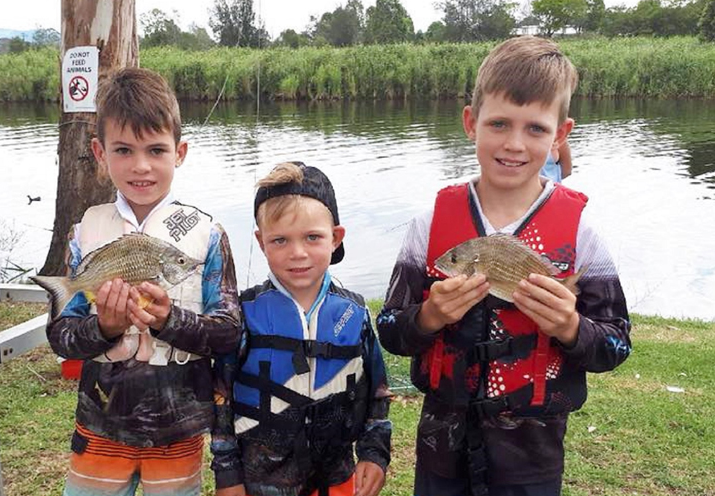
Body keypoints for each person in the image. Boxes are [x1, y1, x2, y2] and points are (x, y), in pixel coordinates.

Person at [376, 36, 631, 496]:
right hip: (442, 445)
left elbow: (616, 345)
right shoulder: (430, 223)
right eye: (499, 123)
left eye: (535, 128)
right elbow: (391, 330)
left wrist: (572, 327)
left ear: (560, 136)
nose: (514, 144)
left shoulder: (582, 233)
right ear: (471, 123)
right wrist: (429, 317)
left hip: (532, 452)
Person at [45, 67, 241, 496]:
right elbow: (61, 337)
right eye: (123, 150)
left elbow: (228, 334)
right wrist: (104, 327)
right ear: (99, 153)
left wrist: (170, 320)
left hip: (178, 431)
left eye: (156, 150)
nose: (141, 166)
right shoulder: (84, 233)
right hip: (100, 425)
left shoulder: (207, 235)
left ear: (180, 152)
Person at [211, 162, 392, 496]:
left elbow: (377, 392)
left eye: (312, 237)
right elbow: (221, 399)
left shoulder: (354, 313)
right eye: (280, 240)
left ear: (336, 238)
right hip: (261, 483)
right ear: (261, 242)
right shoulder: (243, 313)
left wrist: (374, 452)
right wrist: (227, 476)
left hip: (336, 478)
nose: (297, 253)